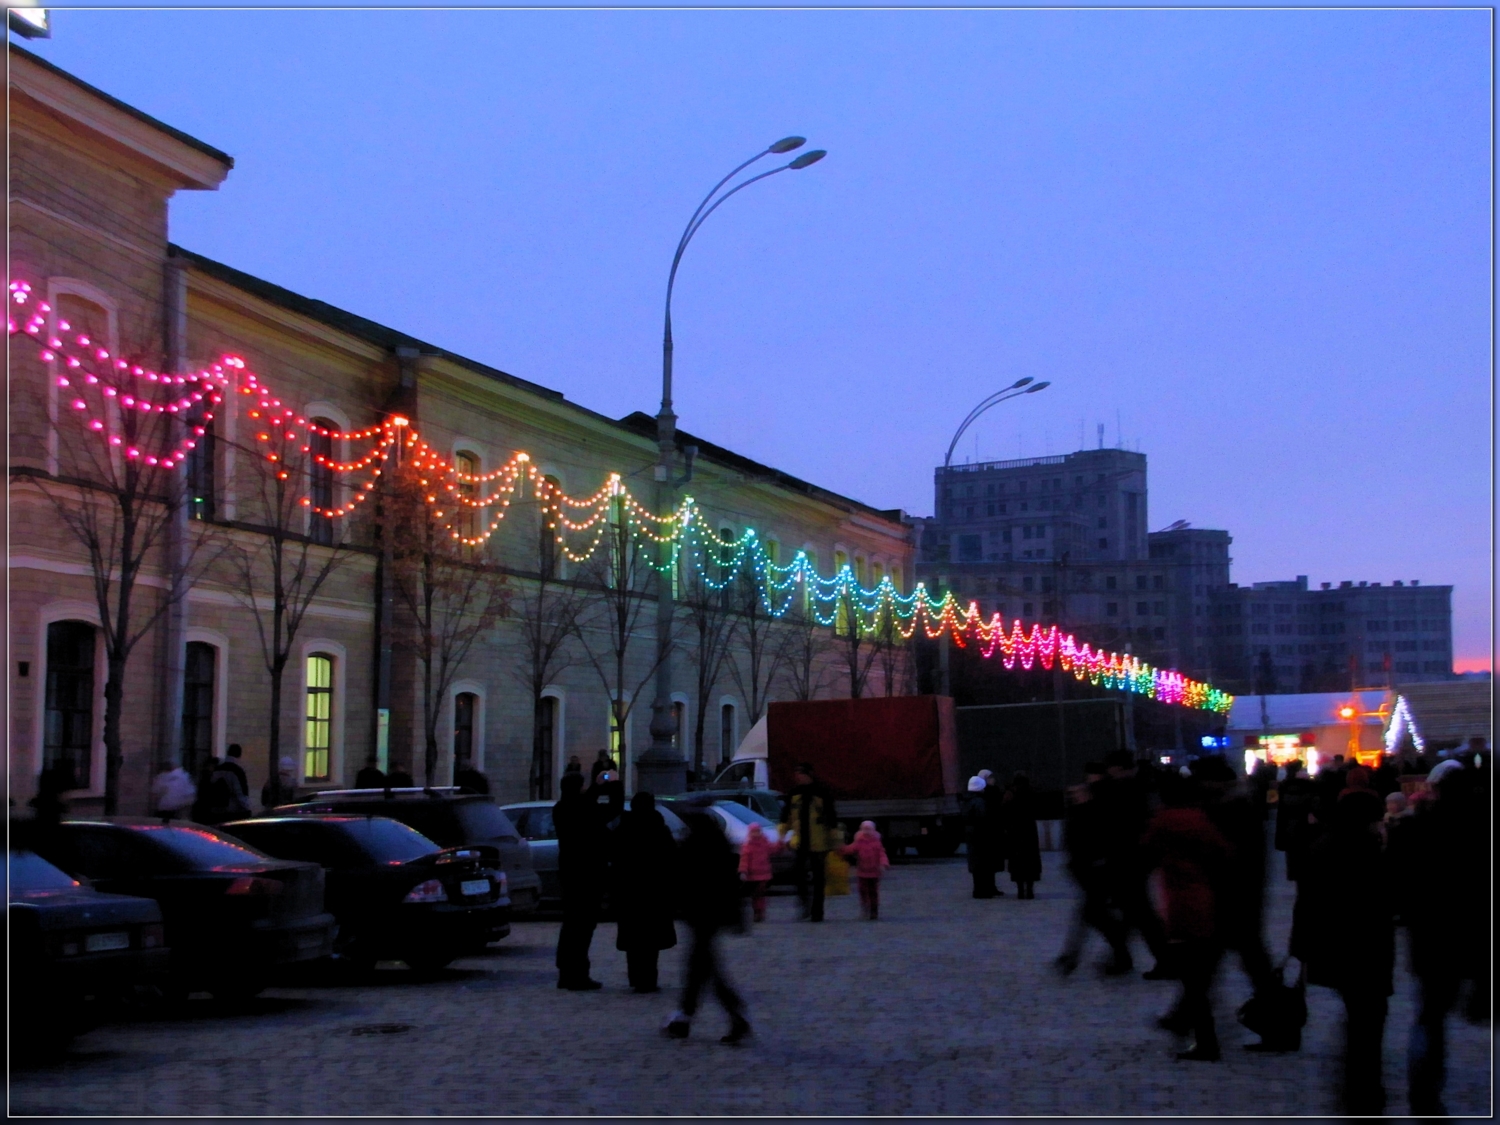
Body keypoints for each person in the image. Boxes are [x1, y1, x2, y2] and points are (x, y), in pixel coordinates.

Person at [1389, 757, 1486, 1115]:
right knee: (1439, 1012)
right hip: (1469, 931)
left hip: (1428, 932)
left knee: (1429, 1016)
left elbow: (1397, 879)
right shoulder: (1480, 831)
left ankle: (1423, 1089)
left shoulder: (1416, 828)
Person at [1290, 785, 1395, 1114]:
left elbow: (1305, 902)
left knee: (1359, 1019)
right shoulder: (1363, 850)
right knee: (1367, 1022)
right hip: (1363, 950)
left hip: (1337, 949)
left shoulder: (1325, 843)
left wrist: (1302, 947)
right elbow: (1383, 900)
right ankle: (1364, 1093)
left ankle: (1359, 1090)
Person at [1141, 771, 1231, 1062]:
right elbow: (1225, 853)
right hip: (1206, 898)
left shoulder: (1162, 822)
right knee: (1199, 974)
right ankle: (1196, 1031)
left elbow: (1142, 854)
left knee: (1192, 978)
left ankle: (1206, 1041)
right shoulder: (1201, 819)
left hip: (1179, 903)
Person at [665, 795, 750, 1044]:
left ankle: (728, 1015)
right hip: (709, 912)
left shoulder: (700, 841)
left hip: (704, 912)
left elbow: (691, 877)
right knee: (702, 966)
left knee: (704, 966)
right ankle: (685, 1017)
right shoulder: (714, 838)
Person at [1056, 764, 1131, 976]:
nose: (1075, 795)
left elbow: (1097, 840)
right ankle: (1078, 956)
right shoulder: (1082, 811)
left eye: (1079, 792)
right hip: (1088, 869)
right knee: (1094, 916)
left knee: (1091, 915)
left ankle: (1073, 956)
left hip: (1096, 870)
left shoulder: (1094, 811)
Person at [613, 791, 678, 993]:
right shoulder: (658, 828)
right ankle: (648, 979)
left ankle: (636, 977)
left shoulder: (624, 828)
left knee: (634, 940)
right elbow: (671, 859)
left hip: (630, 892)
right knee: (651, 941)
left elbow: (615, 857)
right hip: (653, 892)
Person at [552, 771, 611, 990]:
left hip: (569, 871)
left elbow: (584, 805)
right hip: (586, 873)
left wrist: (596, 787)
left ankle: (566, 972)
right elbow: (601, 812)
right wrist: (608, 786)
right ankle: (576, 973)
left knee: (571, 925)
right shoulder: (581, 808)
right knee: (582, 926)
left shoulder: (561, 808)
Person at [780, 762, 838, 922]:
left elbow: (832, 817)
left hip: (819, 842)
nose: (798, 777)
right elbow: (786, 817)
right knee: (798, 873)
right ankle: (804, 901)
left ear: (808, 774)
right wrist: (782, 836)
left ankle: (817, 911)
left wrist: (836, 841)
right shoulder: (794, 793)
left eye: (801, 773)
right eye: (796, 774)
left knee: (819, 878)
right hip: (800, 842)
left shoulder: (822, 792)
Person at [841, 820, 890, 920]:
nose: (867, 832)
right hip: (862, 872)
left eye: (869, 829)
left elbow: (882, 854)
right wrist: (842, 850)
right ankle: (865, 908)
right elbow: (851, 849)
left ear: (873, 830)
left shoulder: (876, 843)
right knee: (863, 891)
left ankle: (873, 911)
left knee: (873, 893)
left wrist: (883, 863)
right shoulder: (859, 841)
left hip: (874, 872)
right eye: (865, 829)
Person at [1003, 773, 1042, 899]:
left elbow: (1004, 810)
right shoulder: (1031, 793)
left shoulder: (1010, 794)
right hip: (1029, 830)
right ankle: (1029, 890)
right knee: (1030, 859)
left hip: (1015, 830)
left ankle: (1020, 890)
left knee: (1017, 860)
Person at [962, 777, 1000, 899]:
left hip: (970, 834)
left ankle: (977, 889)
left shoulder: (966, 801)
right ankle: (984, 890)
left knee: (975, 863)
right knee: (983, 862)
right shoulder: (979, 802)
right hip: (980, 834)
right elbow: (983, 818)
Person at [738, 822, 779, 923]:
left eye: (758, 831)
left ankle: (759, 912)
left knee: (760, 894)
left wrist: (780, 844)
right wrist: (743, 871)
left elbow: (773, 849)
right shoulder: (748, 845)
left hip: (763, 875)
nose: (756, 834)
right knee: (756, 895)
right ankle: (757, 912)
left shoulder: (764, 842)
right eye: (754, 832)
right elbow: (744, 860)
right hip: (753, 876)